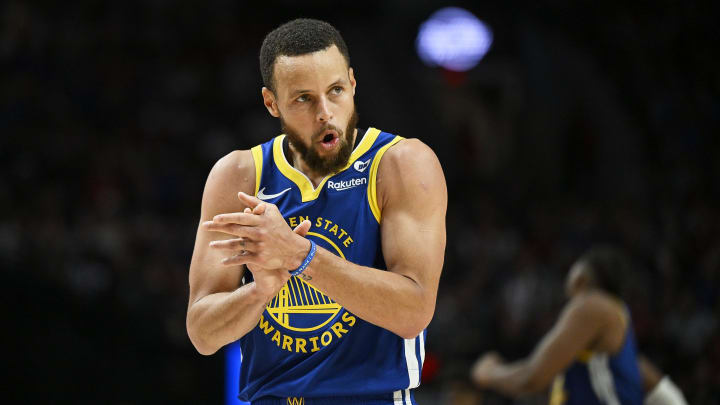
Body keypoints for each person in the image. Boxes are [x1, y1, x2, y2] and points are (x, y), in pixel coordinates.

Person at [185, 18, 447, 405]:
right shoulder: (239, 175)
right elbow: (203, 333)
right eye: (303, 98)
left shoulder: (401, 164)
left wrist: (298, 256)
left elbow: (414, 311)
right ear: (271, 103)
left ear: (354, 84)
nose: (325, 112)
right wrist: (259, 293)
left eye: (336, 90)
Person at [471, 246, 687, 405]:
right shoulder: (614, 319)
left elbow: (531, 379)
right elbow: (657, 385)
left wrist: (488, 373)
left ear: (582, 276)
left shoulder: (591, 304)